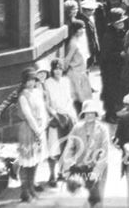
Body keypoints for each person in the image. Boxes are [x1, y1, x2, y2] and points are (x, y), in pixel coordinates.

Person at [59, 99, 110, 208]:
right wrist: (67, 168)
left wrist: (96, 172)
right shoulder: (77, 128)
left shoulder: (103, 129)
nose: (89, 116)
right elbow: (69, 148)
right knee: (82, 198)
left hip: (98, 168)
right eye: (87, 113)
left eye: (92, 113)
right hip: (81, 168)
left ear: (96, 114)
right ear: (83, 114)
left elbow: (105, 152)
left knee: (97, 199)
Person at [16, 67, 48, 202]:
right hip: (28, 130)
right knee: (26, 162)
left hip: (39, 129)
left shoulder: (38, 92)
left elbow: (43, 110)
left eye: (33, 80)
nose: (31, 83)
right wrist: (37, 130)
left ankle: (31, 188)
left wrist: (43, 126)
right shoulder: (23, 96)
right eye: (28, 81)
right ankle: (25, 191)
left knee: (35, 160)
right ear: (24, 82)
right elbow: (28, 116)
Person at [43, 59, 77, 187]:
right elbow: (47, 104)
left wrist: (67, 113)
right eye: (55, 68)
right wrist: (55, 115)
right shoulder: (47, 83)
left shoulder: (66, 81)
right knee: (54, 148)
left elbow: (69, 99)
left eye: (60, 68)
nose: (58, 71)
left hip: (67, 115)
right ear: (52, 70)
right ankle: (51, 175)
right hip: (55, 117)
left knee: (67, 146)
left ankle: (62, 173)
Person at [99, 7, 127, 122]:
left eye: (122, 21)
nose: (121, 24)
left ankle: (115, 112)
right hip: (110, 69)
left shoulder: (121, 32)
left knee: (117, 91)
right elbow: (106, 55)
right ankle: (110, 115)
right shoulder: (108, 36)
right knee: (110, 92)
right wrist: (120, 54)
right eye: (119, 22)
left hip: (119, 67)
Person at [61, 22, 93, 112]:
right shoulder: (73, 43)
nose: (82, 31)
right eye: (80, 29)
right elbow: (67, 59)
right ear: (75, 30)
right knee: (78, 97)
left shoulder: (80, 40)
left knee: (84, 97)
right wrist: (64, 71)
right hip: (75, 73)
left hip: (81, 71)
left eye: (83, 28)